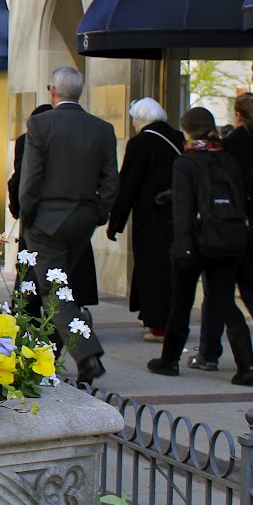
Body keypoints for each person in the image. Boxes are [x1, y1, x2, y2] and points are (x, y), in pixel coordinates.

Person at [18, 66, 118, 388]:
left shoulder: (41, 124)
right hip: (82, 220)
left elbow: (30, 177)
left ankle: (86, 355)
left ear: (53, 92)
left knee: (54, 292)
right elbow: (111, 182)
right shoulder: (102, 129)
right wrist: (98, 214)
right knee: (61, 289)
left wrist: (27, 215)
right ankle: (47, 353)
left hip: (47, 221)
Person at [147, 106, 253, 386]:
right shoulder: (226, 158)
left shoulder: (186, 162)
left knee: (182, 302)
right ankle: (247, 364)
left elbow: (184, 210)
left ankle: (169, 359)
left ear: (186, 130)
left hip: (195, 241)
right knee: (224, 302)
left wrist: (182, 248)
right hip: (226, 239)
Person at [194, 92, 253, 378]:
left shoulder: (226, 147)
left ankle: (209, 354)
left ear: (237, 115)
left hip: (229, 224)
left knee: (216, 291)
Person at [8, 103, 99, 320]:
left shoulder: (29, 140)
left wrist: (21, 210)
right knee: (67, 273)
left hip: (40, 218)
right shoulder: (74, 140)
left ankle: (35, 316)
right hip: (74, 214)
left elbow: (22, 180)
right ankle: (68, 317)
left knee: (34, 275)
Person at [107, 98, 184, 342]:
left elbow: (128, 185)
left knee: (152, 268)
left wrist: (115, 221)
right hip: (179, 215)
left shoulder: (141, 143)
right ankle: (153, 315)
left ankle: (158, 324)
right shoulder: (180, 138)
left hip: (151, 216)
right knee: (169, 270)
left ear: (139, 119)